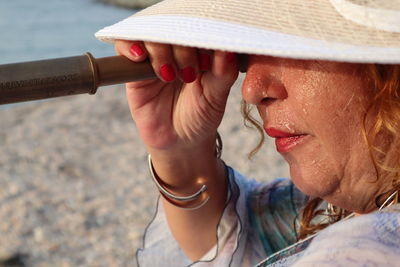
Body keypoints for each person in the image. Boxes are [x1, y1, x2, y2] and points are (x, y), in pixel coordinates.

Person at [96, 0, 400, 266]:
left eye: (293, 43)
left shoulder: (368, 250)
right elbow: (237, 238)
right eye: (253, 48)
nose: (251, 90)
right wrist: (180, 150)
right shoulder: (345, 210)